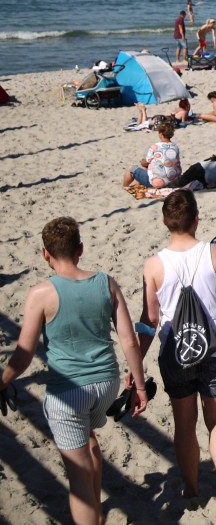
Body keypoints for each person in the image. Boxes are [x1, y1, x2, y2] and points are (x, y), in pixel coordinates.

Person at [0, 217, 149, 525]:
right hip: (106, 383)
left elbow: (24, 354)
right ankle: (96, 515)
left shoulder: (41, 294)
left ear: (45, 254)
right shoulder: (106, 283)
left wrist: (2, 381)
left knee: (78, 480)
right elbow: (128, 341)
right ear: (80, 249)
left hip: (68, 393)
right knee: (89, 439)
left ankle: (90, 514)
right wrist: (140, 387)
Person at [139, 190, 216, 525]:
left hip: (176, 353)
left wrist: (137, 360)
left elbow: (151, 320)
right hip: (215, 350)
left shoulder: (154, 265)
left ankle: (192, 485)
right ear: (196, 219)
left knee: (185, 424)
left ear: (165, 222)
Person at [122, 119, 181, 191]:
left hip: (157, 182)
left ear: (161, 134)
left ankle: (125, 187)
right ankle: (136, 184)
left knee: (131, 168)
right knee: (145, 169)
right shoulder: (175, 147)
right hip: (173, 180)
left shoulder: (155, 147)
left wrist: (142, 162)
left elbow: (146, 162)